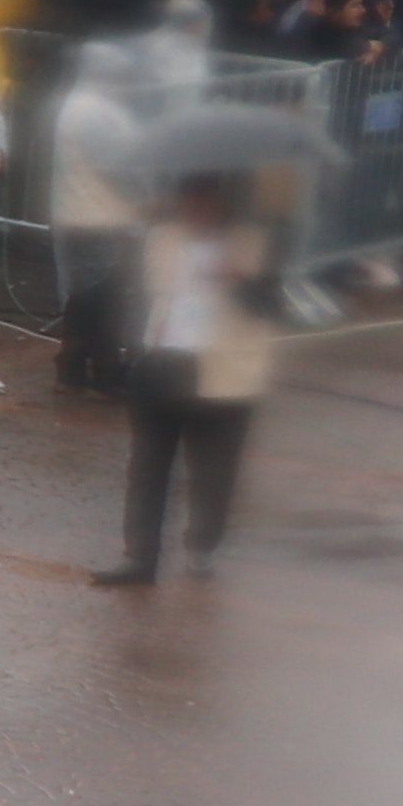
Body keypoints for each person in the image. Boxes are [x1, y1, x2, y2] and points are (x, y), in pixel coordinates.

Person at [98, 170, 280, 587]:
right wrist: (135, 349)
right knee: (147, 466)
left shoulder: (254, 243)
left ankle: (203, 543)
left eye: (208, 199)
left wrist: (241, 281)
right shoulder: (161, 238)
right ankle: (140, 558)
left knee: (213, 469)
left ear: (226, 201)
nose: (198, 209)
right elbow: (135, 292)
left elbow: (273, 306)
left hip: (224, 372)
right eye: (191, 199)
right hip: (163, 363)